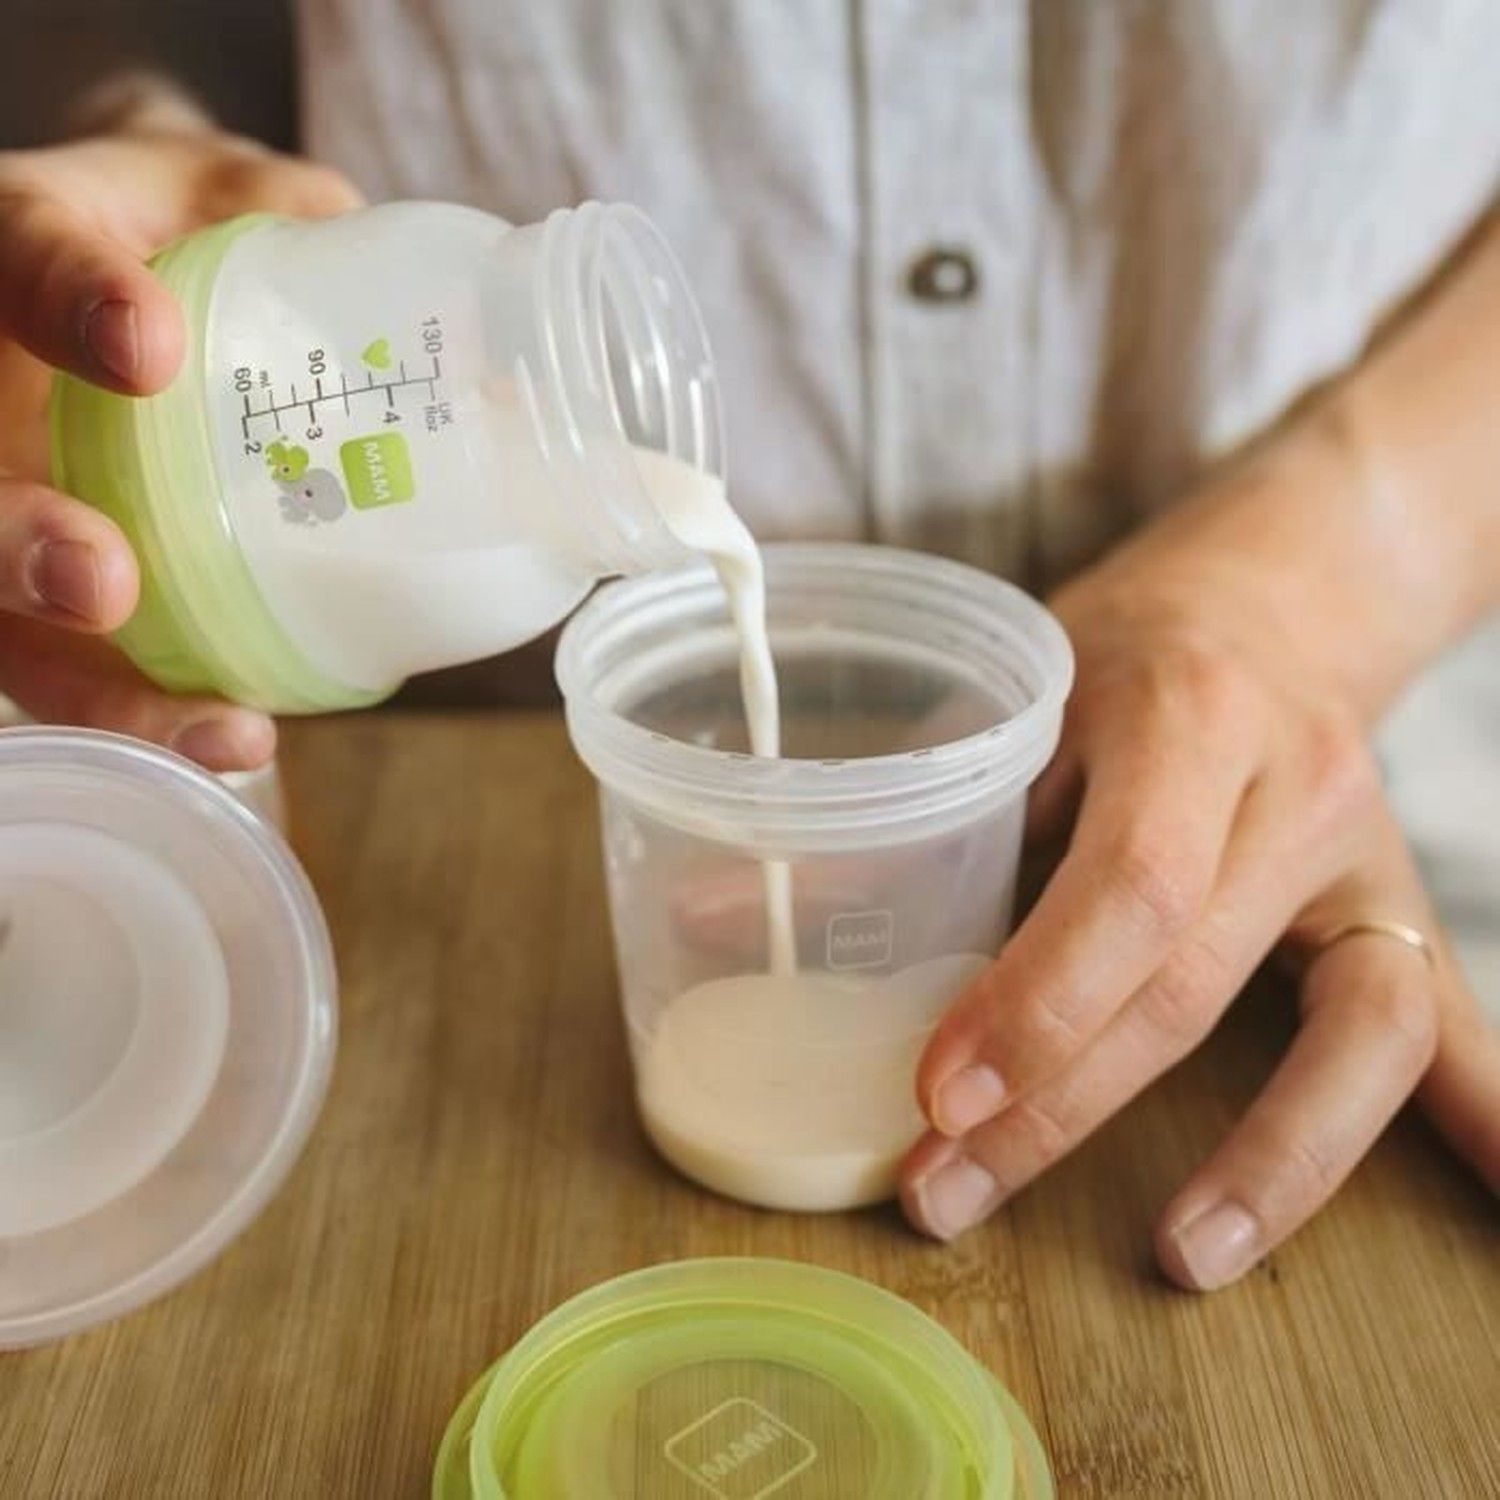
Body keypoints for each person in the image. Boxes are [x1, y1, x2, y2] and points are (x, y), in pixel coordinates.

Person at [0, 4, 1495, 1292]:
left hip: (1317, 796)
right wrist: (142, 136)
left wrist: (1302, 591)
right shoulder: (516, 539)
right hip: (412, 799)